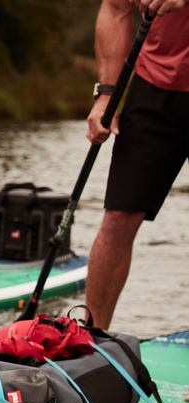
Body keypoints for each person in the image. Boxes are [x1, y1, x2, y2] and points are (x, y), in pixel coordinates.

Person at [85, 0, 187, 333]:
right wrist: (106, 94)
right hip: (154, 82)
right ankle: (90, 343)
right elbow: (115, 9)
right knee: (118, 217)